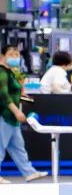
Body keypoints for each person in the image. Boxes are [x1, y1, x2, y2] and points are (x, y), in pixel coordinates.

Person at [0, 44, 47, 183]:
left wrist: (24, 96)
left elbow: (16, 94)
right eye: (11, 54)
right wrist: (16, 112)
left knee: (18, 147)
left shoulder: (12, 73)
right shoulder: (2, 72)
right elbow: (3, 95)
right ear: (2, 56)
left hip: (12, 117)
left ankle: (29, 173)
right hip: (4, 115)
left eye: (16, 54)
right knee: (0, 146)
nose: (14, 57)